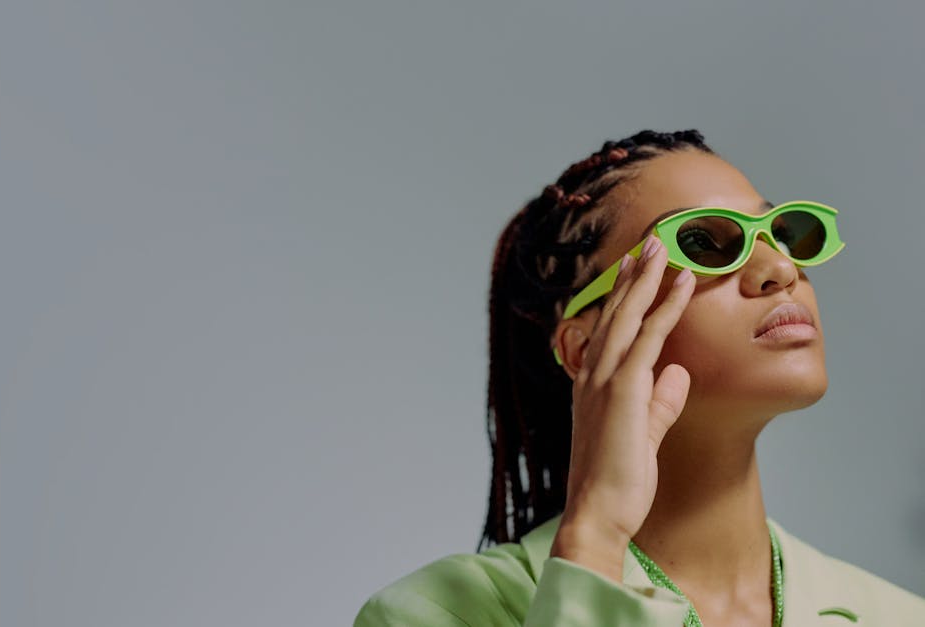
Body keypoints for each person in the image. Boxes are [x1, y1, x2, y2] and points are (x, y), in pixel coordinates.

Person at [353, 130, 925, 626]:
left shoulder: (898, 616)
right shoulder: (432, 614)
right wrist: (596, 534)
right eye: (702, 243)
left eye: (783, 233)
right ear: (582, 347)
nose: (781, 268)